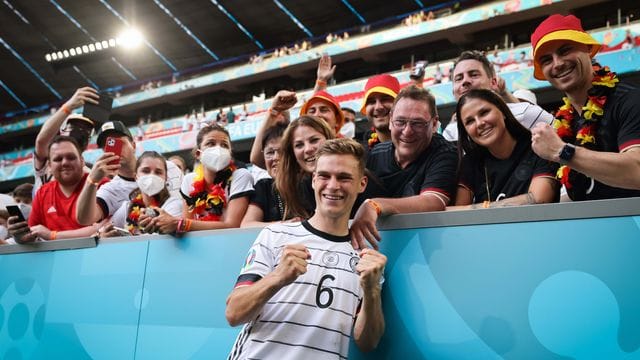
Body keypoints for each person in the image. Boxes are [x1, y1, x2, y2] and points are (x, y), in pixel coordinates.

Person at [226, 138, 386, 358]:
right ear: (313, 180)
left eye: (344, 177)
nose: (332, 185)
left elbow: (367, 342)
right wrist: (278, 277)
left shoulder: (367, 260)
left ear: (362, 184)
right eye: (324, 176)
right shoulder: (275, 235)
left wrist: (372, 291)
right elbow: (234, 313)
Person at [530, 14, 640, 200]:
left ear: (588, 49)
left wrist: (562, 151)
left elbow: (637, 170)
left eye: (565, 51)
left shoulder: (629, 98)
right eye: (547, 60)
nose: (557, 64)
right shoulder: (562, 124)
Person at [350, 86, 458, 249]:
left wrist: (374, 205)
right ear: (391, 121)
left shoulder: (445, 153)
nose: (407, 132)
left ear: (434, 124)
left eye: (418, 123)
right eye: (400, 122)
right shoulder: (373, 155)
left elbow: (433, 202)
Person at [450, 89, 559, 209]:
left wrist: (479, 208)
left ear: (502, 111)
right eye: (470, 121)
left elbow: (539, 199)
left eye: (484, 112)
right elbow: (457, 214)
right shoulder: (470, 162)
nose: (479, 123)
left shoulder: (539, 146)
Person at [149, 124, 254, 233]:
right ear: (198, 154)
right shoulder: (189, 180)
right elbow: (186, 227)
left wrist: (180, 224)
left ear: (230, 153)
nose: (218, 149)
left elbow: (233, 225)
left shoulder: (240, 176)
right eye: (211, 144)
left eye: (224, 145)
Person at [444, 50, 554, 141]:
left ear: (493, 82)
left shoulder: (526, 113)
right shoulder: (450, 133)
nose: (465, 81)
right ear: (453, 92)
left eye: (474, 75)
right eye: (459, 78)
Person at [7, 136, 99, 242]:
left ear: (82, 161)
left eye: (71, 157)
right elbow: (32, 235)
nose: (65, 162)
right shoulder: (42, 193)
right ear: (50, 166)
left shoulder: (99, 184)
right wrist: (19, 236)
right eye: (58, 159)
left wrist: (52, 235)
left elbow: (102, 229)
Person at [33, 87, 98, 193]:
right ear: (62, 131)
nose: (79, 131)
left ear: (88, 140)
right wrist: (68, 107)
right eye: (73, 127)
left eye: (85, 130)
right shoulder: (48, 160)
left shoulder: (90, 176)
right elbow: (41, 141)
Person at [76, 121, 139, 227]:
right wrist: (92, 180)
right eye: (109, 144)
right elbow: (84, 219)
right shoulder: (111, 189)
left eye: (119, 143)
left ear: (133, 145)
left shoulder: (164, 167)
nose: (116, 149)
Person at [105, 151, 184, 236]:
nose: (152, 176)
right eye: (146, 171)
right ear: (136, 176)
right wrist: (105, 235)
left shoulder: (174, 204)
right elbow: (109, 229)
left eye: (158, 172)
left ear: (165, 178)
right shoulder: (127, 207)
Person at [276, 115, 335, 219]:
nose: (307, 149)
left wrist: (371, 205)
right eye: (299, 145)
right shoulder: (294, 188)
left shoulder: (356, 175)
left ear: (329, 139)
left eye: (314, 140)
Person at [241, 125, 291, 227]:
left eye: (282, 151)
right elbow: (246, 225)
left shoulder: (309, 183)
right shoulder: (263, 186)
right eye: (270, 152)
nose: (275, 157)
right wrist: (285, 225)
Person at [360, 74, 401, 150]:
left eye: (385, 99)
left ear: (400, 103)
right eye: (371, 101)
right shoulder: (360, 156)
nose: (378, 107)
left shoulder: (420, 145)